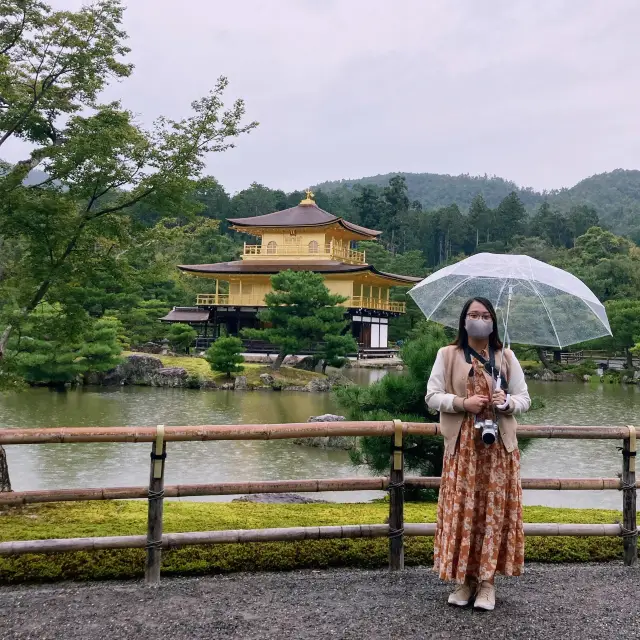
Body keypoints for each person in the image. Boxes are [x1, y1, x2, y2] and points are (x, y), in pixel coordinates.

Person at [425, 297, 530, 611]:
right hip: (463, 450)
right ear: (463, 319)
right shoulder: (447, 355)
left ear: (494, 322)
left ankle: (487, 584)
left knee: (492, 516)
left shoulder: (506, 356)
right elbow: (431, 396)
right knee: (464, 515)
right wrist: (461, 404)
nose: (479, 319)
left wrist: (506, 402)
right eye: (473, 314)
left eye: (485, 315)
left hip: (498, 451)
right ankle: (465, 581)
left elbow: (524, 399)